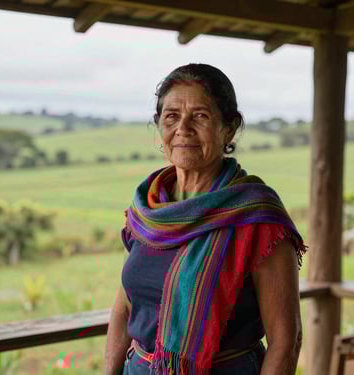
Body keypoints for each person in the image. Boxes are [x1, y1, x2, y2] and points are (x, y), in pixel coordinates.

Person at [105, 63, 306, 375]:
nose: (183, 128)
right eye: (171, 116)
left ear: (228, 127)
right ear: (160, 126)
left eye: (200, 116)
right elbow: (124, 307)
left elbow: (286, 342)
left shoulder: (256, 217)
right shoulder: (148, 208)